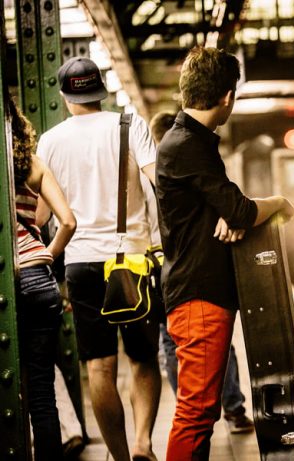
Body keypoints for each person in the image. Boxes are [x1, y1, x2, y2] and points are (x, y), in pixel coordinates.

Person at [155, 47, 294, 460]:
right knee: (196, 413)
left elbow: (227, 210)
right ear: (227, 97)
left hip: (201, 293)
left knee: (201, 411)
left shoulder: (192, 143)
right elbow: (240, 209)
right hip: (197, 297)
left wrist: (232, 213)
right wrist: (280, 201)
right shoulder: (186, 145)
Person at [37, 57, 162, 461]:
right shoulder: (129, 125)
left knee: (99, 368)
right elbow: (159, 180)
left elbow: (39, 216)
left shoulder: (50, 142)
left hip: (81, 262)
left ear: (63, 95)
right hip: (133, 261)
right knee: (143, 359)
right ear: (100, 90)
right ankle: (144, 443)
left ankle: (123, 457)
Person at [149, 111, 254, 434]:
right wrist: (277, 203)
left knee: (172, 345)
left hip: (160, 268)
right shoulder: (180, 160)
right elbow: (233, 208)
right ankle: (232, 407)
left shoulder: (156, 167)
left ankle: (200, 397)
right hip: (187, 275)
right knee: (194, 413)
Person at [10, 94, 77, 460]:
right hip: (39, 277)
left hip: (9, 280)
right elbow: (66, 221)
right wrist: (46, 256)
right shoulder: (32, 164)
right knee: (41, 391)